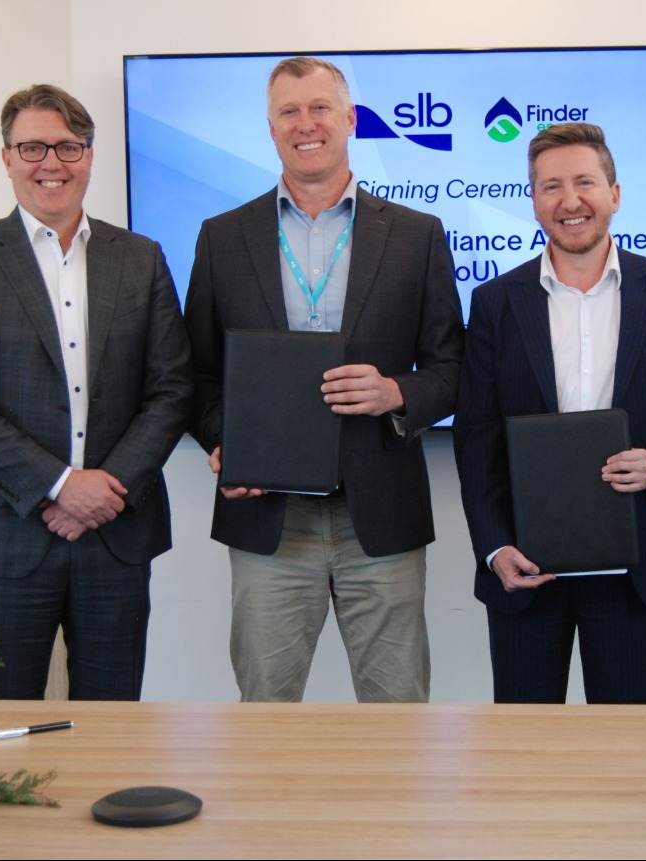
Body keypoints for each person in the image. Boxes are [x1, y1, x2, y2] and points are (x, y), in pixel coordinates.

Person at [184, 57, 463, 703]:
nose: (305, 124)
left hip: (380, 518)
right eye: (288, 111)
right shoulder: (223, 238)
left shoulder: (417, 236)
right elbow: (194, 374)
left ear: (349, 120)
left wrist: (397, 392)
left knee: (397, 713)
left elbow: (454, 368)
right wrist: (228, 442)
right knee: (266, 711)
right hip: (266, 521)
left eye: (318, 109)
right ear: (270, 125)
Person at [0, 84, 193, 700]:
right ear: (7, 157)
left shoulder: (141, 258)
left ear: (89, 156)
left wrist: (105, 489)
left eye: (68, 147)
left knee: (113, 726)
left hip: (115, 536)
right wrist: (64, 485)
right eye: (33, 147)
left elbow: (172, 388)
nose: (52, 164)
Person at [453, 122, 646, 704]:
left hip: (636, 567)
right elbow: (476, 437)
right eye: (551, 187)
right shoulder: (496, 302)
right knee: (525, 754)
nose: (569, 201)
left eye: (584, 182)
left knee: (628, 754)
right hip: (526, 566)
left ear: (614, 194)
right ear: (534, 202)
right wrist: (495, 546)